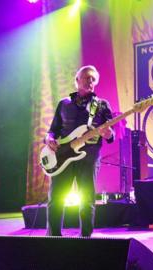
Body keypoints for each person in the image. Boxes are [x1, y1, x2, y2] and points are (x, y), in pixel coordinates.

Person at [44, 65, 114, 237]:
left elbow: (111, 136)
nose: (90, 81)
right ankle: (52, 238)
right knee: (56, 199)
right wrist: (49, 139)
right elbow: (53, 129)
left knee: (87, 199)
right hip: (62, 157)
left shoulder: (102, 105)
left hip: (88, 157)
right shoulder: (63, 104)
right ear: (77, 80)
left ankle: (86, 238)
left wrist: (107, 133)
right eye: (86, 77)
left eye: (93, 79)